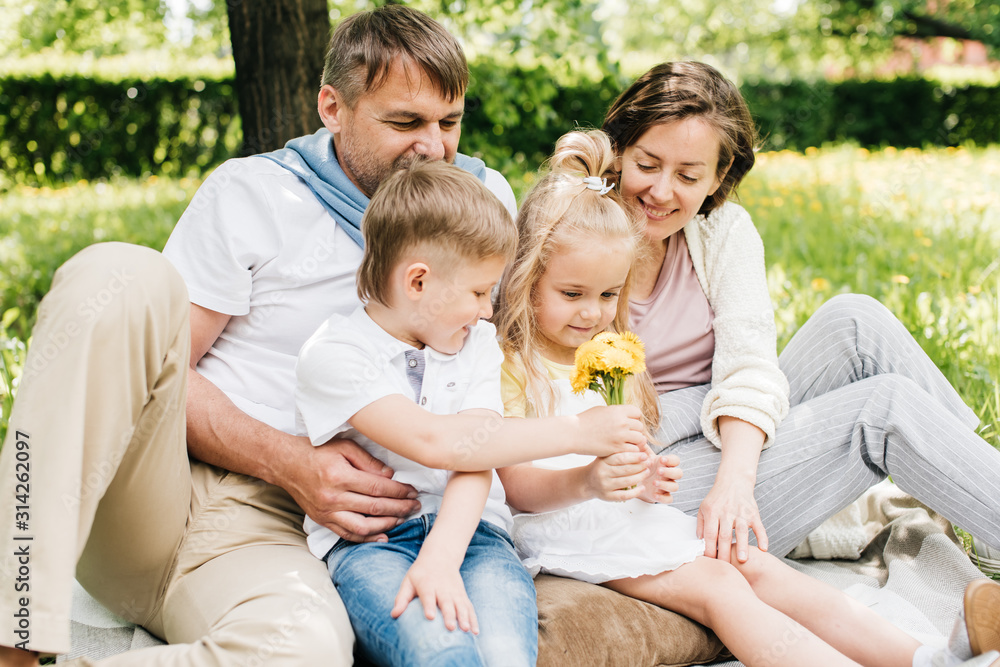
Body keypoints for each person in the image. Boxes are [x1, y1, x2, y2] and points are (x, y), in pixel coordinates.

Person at [0, 6, 529, 665]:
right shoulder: (252, 193)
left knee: (302, 650)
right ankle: (15, 629)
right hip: (164, 490)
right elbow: (162, 375)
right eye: (404, 122)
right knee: (118, 275)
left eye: (448, 123)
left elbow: (504, 367)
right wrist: (290, 461)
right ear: (332, 108)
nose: (433, 146)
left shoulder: (482, 203)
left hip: (286, 539)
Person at [493, 128, 1000, 667]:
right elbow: (516, 485)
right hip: (564, 529)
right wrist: (591, 479)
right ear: (527, 279)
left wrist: (640, 475)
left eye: (608, 295)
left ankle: (926, 658)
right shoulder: (513, 364)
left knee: (757, 565)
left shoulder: (606, 352)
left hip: (618, 513)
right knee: (722, 587)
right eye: (572, 294)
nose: (592, 312)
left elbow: (625, 440)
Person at [599, 60, 1000, 566]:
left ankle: (982, 501)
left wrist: (735, 481)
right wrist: (707, 418)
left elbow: (747, 367)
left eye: (688, 175)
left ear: (718, 175)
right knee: (884, 410)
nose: (660, 192)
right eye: (648, 164)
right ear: (618, 149)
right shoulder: (579, 234)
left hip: (727, 441)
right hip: (641, 480)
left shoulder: (720, 230)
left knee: (854, 322)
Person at [295, 160, 645, 667]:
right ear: (418, 282)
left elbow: (477, 455)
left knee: (505, 654)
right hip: (375, 545)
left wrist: (443, 556)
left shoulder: (476, 343)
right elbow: (439, 443)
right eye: (479, 292)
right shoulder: (333, 354)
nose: (488, 311)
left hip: (477, 535)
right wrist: (575, 432)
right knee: (442, 653)